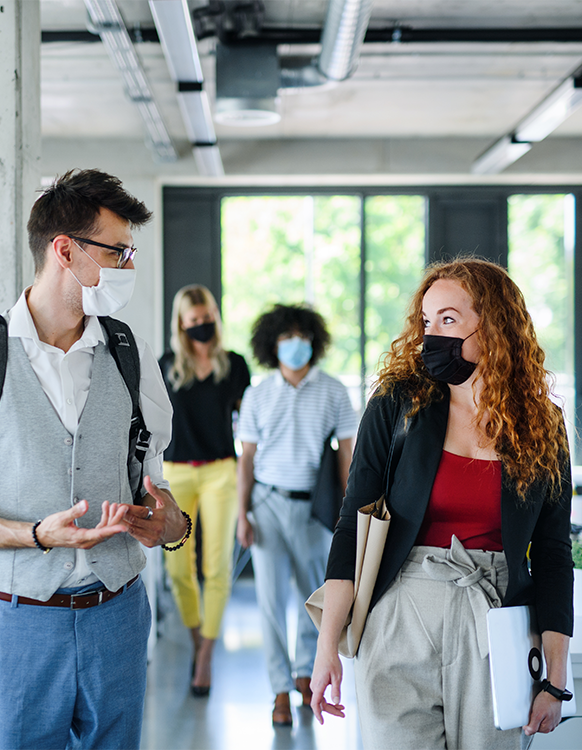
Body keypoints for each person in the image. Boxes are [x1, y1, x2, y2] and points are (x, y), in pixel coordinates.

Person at [0, 169, 189, 750]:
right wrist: (36, 535)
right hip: (13, 620)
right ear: (65, 250)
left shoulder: (128, 356)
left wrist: (168, 522)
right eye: (118, 251)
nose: (127, 267)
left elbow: (155, 483)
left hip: (116, 616)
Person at [311, 259, 574, 750]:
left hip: (497, 626)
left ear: (493, 326)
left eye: (449, 320)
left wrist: (555, 677)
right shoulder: (397, 404)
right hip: (400, 615)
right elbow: (352, 528)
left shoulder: (542, 423)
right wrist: (326, 650)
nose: (433, 336)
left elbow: (554, 554)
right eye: (427, 322)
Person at [236, 303, 358, 727]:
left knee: (314, 598)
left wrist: (350, 512)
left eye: (300, 337)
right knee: (270, 601)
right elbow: (246, 459)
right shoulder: (258, 393)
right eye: (285, 338)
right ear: (272, 345)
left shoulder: (333, 391)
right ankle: (278, 690)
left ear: (313, 341)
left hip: (314, 509)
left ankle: (306, 674)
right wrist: (242, 515)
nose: (294, 345)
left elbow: (348, 453)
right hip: (267, 505)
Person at [158, 284, 250, 696]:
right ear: (181, 324)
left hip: (220, 472)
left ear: (215, 315)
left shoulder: (234, 364)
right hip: (175, 473)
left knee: (217, 567)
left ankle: (207, 655)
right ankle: (197, 638)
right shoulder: (164, 366)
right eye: (193, 321)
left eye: (206, 317)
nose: (201, 325)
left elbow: (249, 425)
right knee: (178, 569)